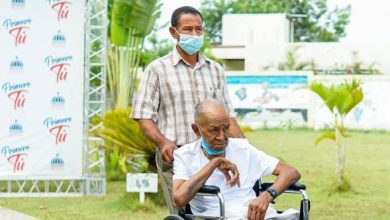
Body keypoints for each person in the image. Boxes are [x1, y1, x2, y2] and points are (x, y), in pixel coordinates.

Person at [131, 6, 243, 213]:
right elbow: (143, 116)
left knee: (219, 212)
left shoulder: (215, 69)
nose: (194, 34)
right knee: (183, 213)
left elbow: (229, 117)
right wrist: (163, 142)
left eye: (198, 29)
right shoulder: (157, 69)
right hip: (177, 157)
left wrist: (246, 150)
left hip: (213, 156)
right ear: (174, 33)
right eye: (188, 29)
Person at [172, 99, 301, 220]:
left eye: (226, 128)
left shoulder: (243, 148)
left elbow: (290, 172)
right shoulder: (184, 155)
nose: (222, 137)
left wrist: (267, 196)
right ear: (196, 129)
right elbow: (179, 198)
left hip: (255, 214)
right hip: (215, 215)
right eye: (214, 130)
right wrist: (214, 164)